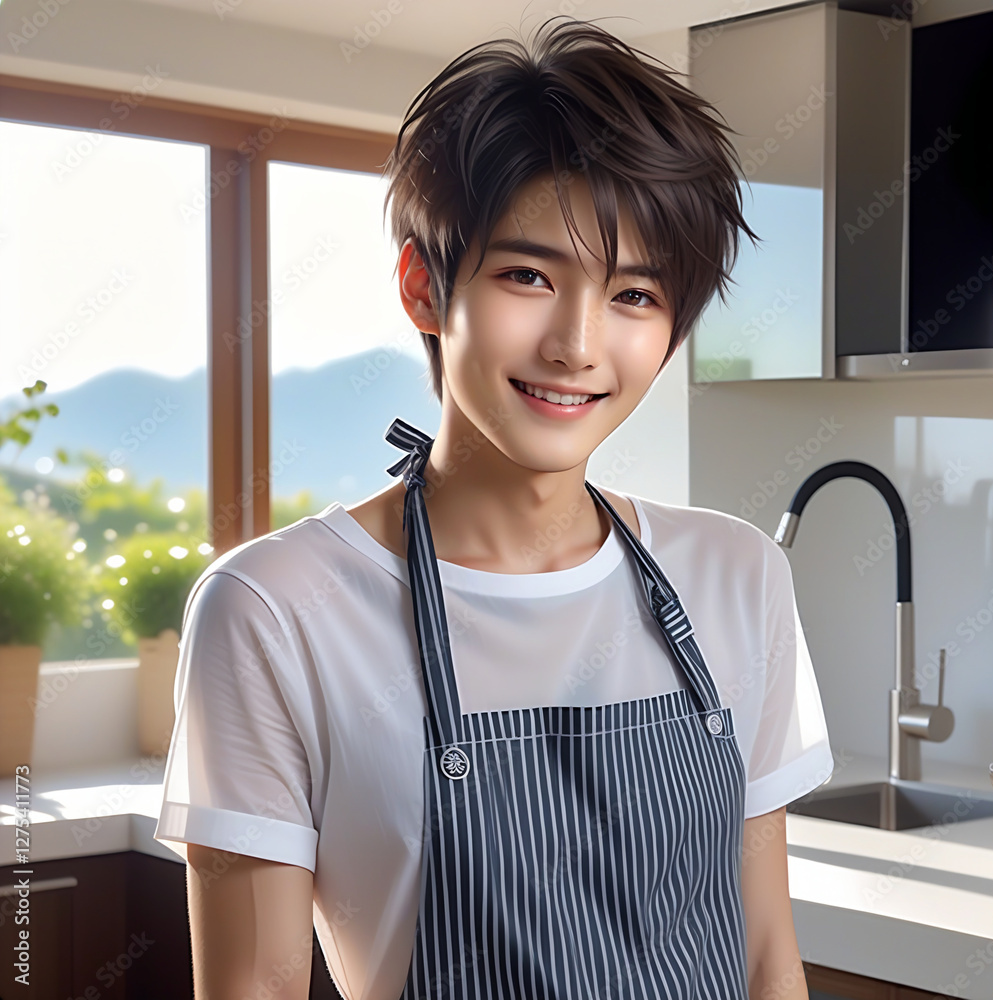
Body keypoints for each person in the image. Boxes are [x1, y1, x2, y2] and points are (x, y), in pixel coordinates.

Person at [154, 16, 835, 1000]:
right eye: (528, 275)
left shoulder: (736, 575)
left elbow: (767, 959)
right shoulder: (274, 609)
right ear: (423, 287)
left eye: (635, 294)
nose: (577, 344)